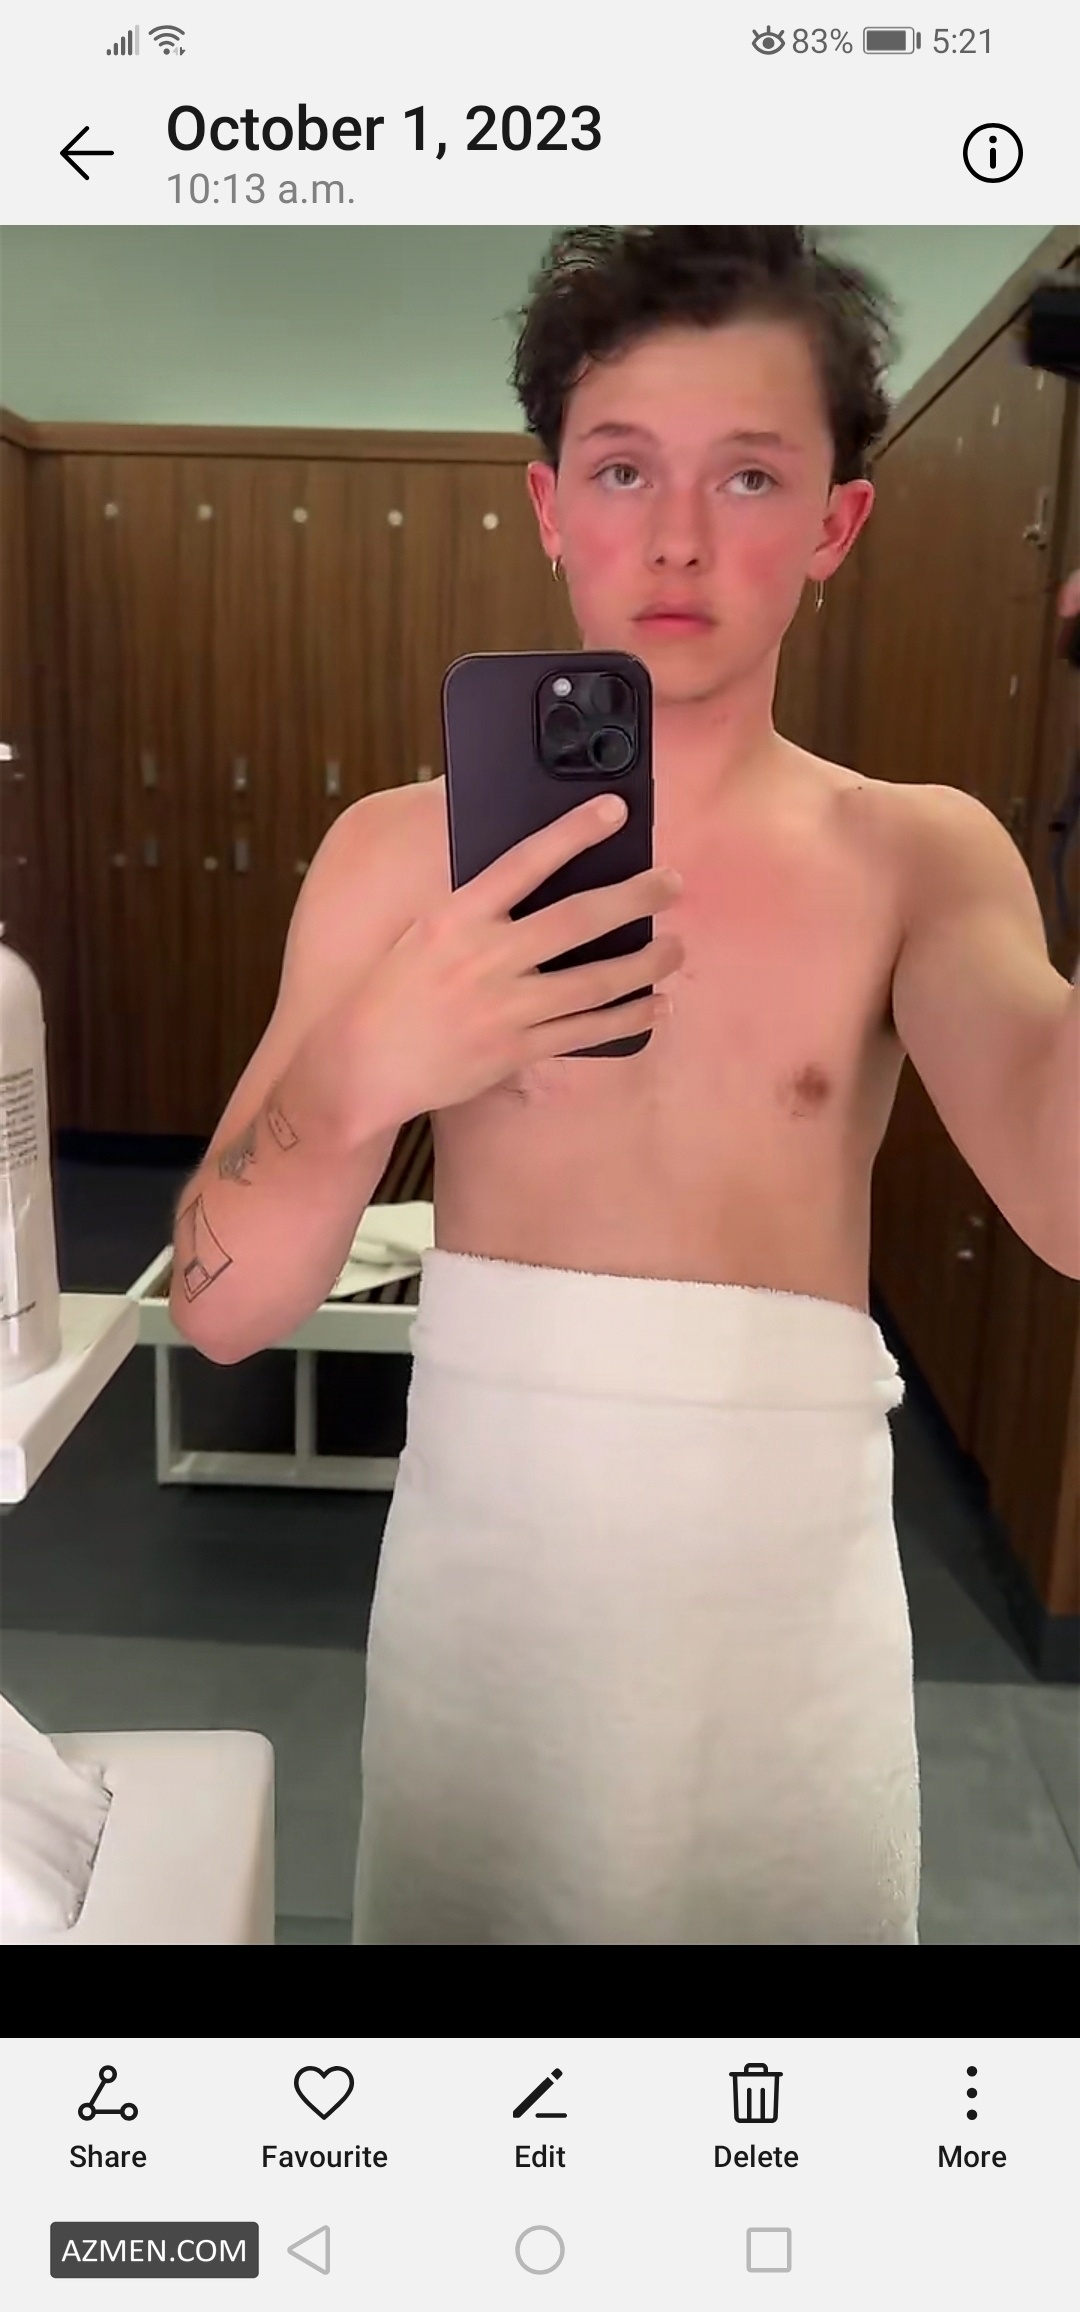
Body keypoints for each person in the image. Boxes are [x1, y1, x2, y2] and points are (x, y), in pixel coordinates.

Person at [170, 228, 1078, 1945]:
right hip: (487, 1606)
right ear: (548, 505)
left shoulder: (917, 856)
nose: (675, 536)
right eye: (620, 469)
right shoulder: (395, 858)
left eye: (749, 475)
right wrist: (364, 1070)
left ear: (835, 524)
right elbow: (221, 1311)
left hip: (787, 1627)